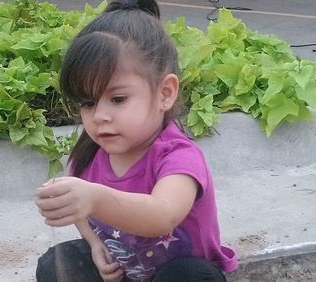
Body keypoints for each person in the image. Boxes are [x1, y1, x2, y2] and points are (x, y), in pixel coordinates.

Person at [35, 0, 237, 281]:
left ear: (165, 93)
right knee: (56, 264)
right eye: (88, 102)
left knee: (189, 275)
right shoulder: (91, 153)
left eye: (117, 99)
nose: (100, 116)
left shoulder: (178, 156)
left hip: (176, 274)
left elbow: (162, 215)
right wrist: (95, 243)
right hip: (124, 271)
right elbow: (81, 209)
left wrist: (94, 198)